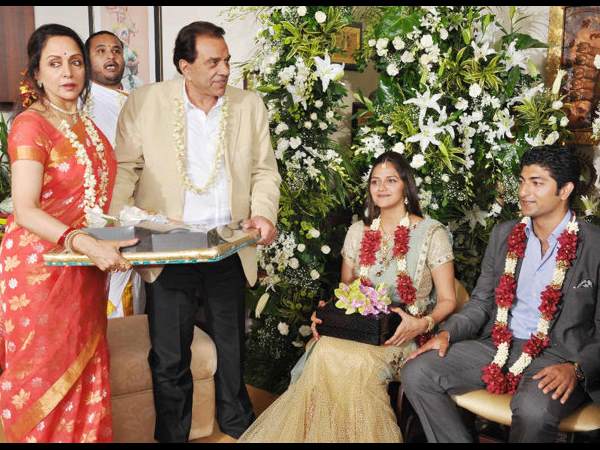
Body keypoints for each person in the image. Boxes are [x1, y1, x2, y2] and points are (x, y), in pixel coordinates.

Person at [109, 21, 281, 442]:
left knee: (231, 346)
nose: (224, 70)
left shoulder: (248, 105)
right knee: (169, 353)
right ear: (185, 66)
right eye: (213, 62)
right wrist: (113, 228)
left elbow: (264, 170)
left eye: (227, 61)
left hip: (227, 244)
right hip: (168, 248)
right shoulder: (146, 102)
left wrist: (263, 213)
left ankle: (238, 427)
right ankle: (173, 433)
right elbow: (124, 169)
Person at [238, 151, 457, 443]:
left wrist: (423, 323)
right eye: (375, 181)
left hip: (403, 334)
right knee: (324, 351)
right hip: (357, 330)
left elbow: (448, 300)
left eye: (391, 180)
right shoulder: (358, 231)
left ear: (407, 186)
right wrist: (327, 317)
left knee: (358, 365)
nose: (381, 187)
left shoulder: (431, 233)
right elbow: (346, 291)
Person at [401, 145, 600, 443]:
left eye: (536, 183)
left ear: (565, 190)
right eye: (522, 181)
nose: (523, 192)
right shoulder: (504, 234)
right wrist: (446, 334)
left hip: (560, 357)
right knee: (417, 372)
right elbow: (481, 302)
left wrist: (577, 369)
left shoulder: (594, 245)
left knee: (533, 410)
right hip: (499, 345)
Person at [0, 23, 136, 443]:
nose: (68, 72)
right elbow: (25, 209)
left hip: (84, 266)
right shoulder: (31, 126)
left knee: (85, 373)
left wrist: (120, 232)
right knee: (41, 375)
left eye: (75, 62)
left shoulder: (88, 126)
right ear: (36, 73)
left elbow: (91, 204)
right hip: (40, 270)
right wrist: (82, 242)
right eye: (55, 63)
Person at [84, 30, 145, 319]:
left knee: (132, 294)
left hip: (135, 210)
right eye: (101, 51)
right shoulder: (82, 103)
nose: (111, 56)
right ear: (87, 61)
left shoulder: (137, 100)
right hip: (97, 215)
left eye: (116, 50)